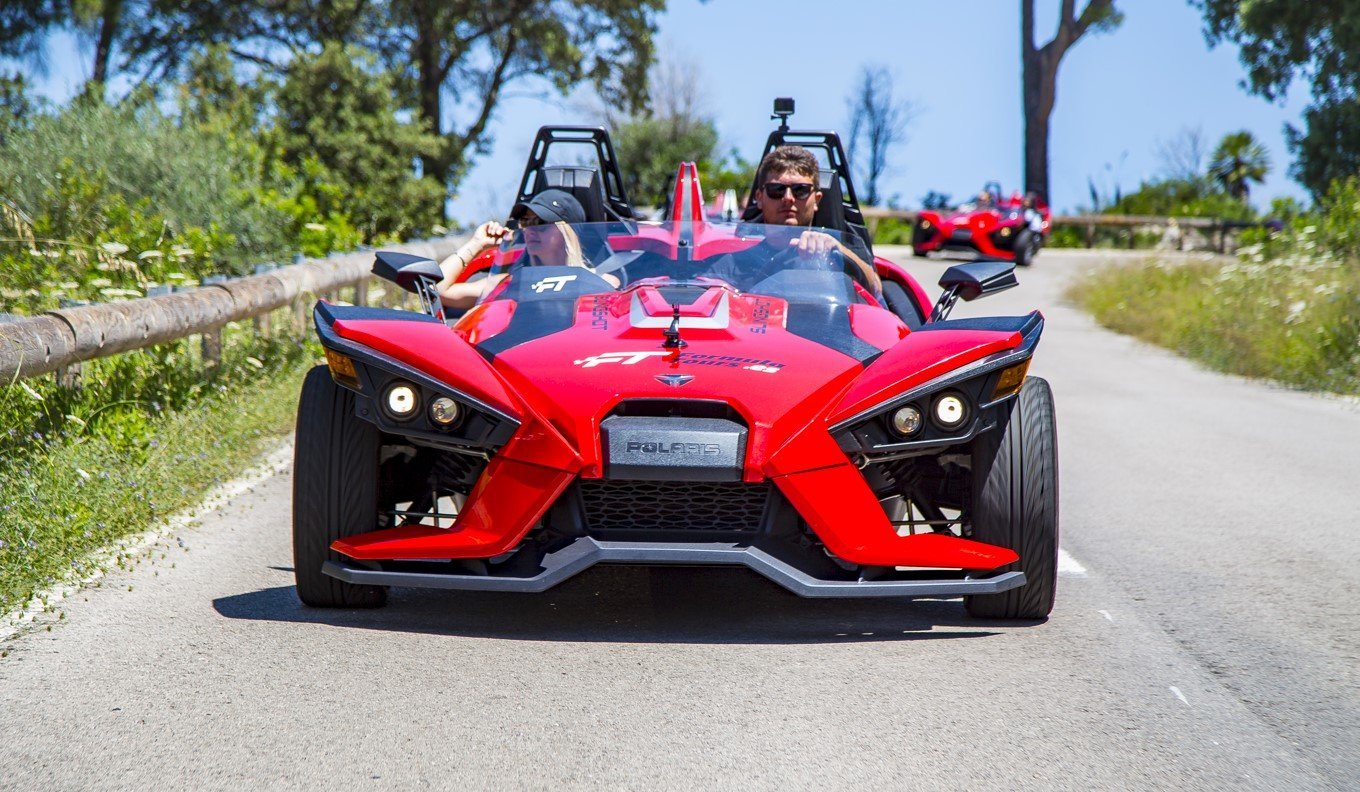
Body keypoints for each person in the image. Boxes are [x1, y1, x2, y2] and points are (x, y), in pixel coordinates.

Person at [704, 146, 881, 294]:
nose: (788, 198)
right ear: (759, 197)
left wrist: (836, 249)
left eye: (800, 190)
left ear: (817, 199)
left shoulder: (843, 249)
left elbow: (876, 290)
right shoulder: (733, 264)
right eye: (776, 190)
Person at [435, 189, 615, 309]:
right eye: (525, 222)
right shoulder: (505, 284)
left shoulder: (602, 283)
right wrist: (476, 244)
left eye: (539, 223)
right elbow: (437, 290)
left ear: (568, 232)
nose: (530, 230)